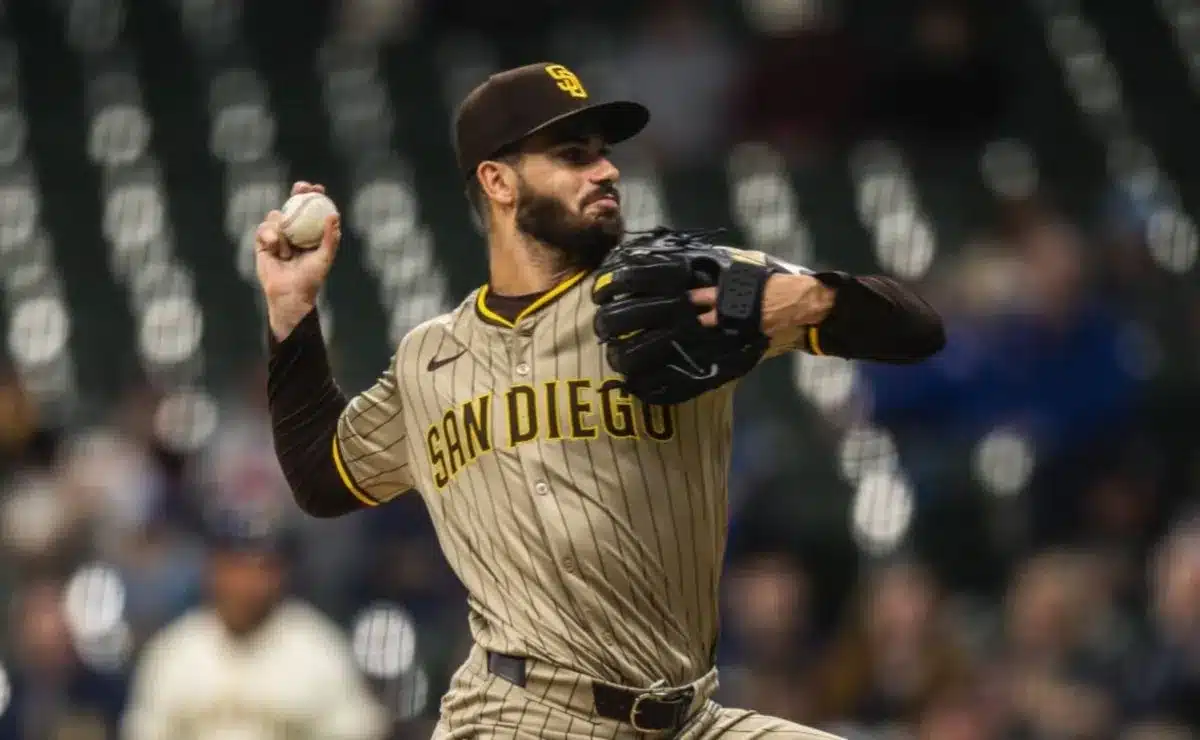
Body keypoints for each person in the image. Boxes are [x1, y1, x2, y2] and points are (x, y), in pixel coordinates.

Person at [258, 62, 943, 738]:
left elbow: (916, 329)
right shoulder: (429, 358)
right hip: (517, 717)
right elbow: (323, 477)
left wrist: (801, 295)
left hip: (689, 718)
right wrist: (291, 313)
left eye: (604, 155)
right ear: (497, 180)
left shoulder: (680, 293)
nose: (606, 171)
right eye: (572, 155)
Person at [120, 513, 388, 740]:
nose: (246, 584)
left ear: (281, 575)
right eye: (235, 567)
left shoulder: (320, 648)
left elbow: (358, 732)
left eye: (261, 568)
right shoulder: (175, 651)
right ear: (213, 571)